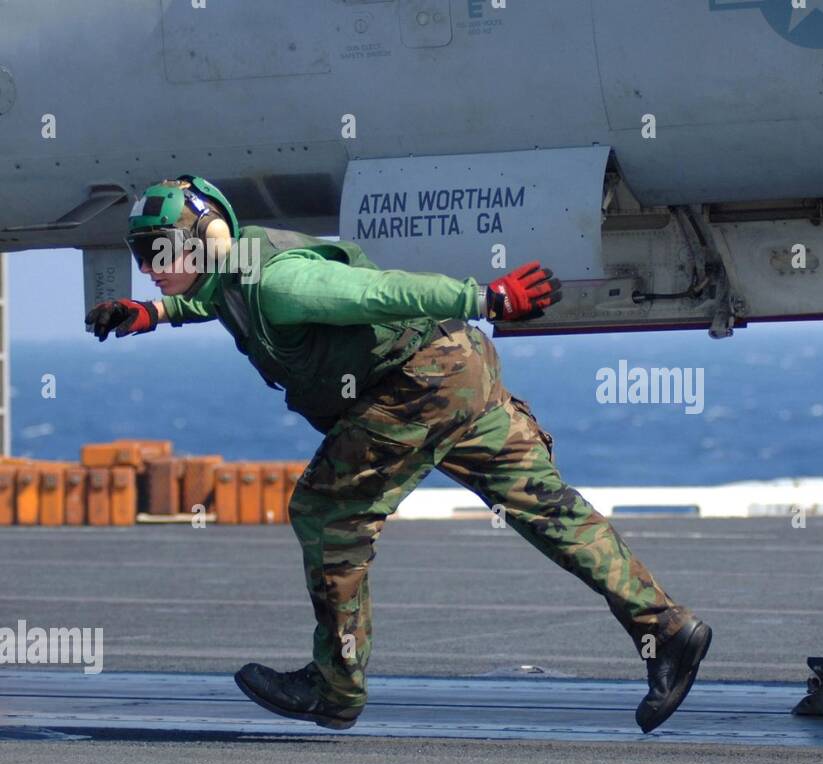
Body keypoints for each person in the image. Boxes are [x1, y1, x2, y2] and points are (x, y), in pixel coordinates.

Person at [86, 175, 711, 733]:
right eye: (143, 253)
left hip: (420, 384)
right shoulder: (230, 273)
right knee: (547, 510)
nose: (151, 265)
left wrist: (487, 298)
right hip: (457, 368)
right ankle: (666, 628)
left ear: (211, 236)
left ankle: (335, 689)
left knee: (328, 513)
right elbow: (214, 299)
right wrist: (152, 312)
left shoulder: (282, 281)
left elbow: (381, 292)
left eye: (162, 250)